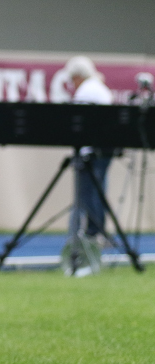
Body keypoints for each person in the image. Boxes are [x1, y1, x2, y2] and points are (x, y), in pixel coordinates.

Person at [65, 56, 114, 241]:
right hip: (103, 149)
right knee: (98, 191)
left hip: (92, 151)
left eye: (73, 79)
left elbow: (82, 124)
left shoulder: (86, 91)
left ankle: (93, 233)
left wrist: (82, 151)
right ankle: (97, 231)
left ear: (78, 76)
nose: (73, 84)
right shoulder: (99, 88)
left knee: (88, 194)